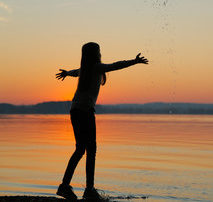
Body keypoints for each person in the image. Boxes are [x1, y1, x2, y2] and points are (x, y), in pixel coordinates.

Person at [55, 42, 148, 201]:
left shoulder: (84, 69)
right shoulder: (97, 67)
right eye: (99, 51)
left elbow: (74, 72)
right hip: (85, 111)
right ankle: (89, 190)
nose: (100, 53)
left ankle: (65, 186)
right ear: (95, 54)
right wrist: (134, 61)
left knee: (80, 149)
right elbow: (116, 66)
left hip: (75, 110)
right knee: (90, 150)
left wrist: (66, 73)